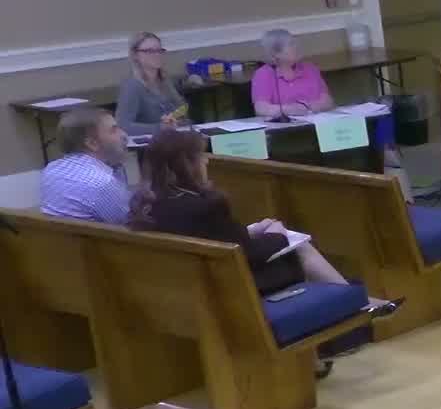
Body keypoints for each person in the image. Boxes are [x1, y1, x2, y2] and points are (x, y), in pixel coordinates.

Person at [129, 129, 400, 370]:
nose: (207, 161)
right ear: (185, 165)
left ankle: (348, 320)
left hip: (181, 291)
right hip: (233, 289)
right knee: (299, 251)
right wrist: (278, 236)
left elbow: (213, 240)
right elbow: (248, 255)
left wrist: (252, 230)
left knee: (290, 247)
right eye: (201, 156)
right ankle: (358, 309)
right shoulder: (206, 206)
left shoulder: (147, 205)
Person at [39, 107, 132, 224]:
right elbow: (133, 224)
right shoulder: (103, 184)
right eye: (114, 130)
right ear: (92, 143)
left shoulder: (51, 170)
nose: (124, 135)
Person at [116, 32, 190, 137]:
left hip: (173, 138)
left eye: (159, 51)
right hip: (151, 143)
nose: (157, 55)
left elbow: (182, 111)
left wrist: (177, 120)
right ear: (135, 55)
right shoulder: (132, 86)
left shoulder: (165, 80)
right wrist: (160, 127)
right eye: (149, 51)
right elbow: (123, 126)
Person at [251, 29, 333, 119]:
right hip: (284, 125)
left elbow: (328, 101)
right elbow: (261, 109)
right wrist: (291, 109)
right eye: (291, 44)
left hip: (317, 121)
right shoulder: (263, 75)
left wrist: (309, 106)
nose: (296, 47)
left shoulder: (310, 69)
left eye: (295, 43)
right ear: (276, 53)